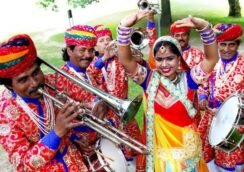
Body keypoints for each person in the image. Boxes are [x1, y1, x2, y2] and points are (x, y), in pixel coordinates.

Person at [117, 10, 219, 171]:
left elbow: (212, 58)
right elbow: (125, 60)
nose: (164, 65)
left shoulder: (190, 80)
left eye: (170, 58)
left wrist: (205, 28)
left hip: (186, 157)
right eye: (159, 59)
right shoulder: (148, 80)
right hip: (160, 159)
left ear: (179, 58)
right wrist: (124, 28)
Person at [0, 34, 89, 171]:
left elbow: (86, 99)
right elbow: (23, 165)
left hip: (75, 163)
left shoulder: (51, 81)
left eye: (36, 72)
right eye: (23, 80)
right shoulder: (4, 114)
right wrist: (57, 132)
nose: (35, 83)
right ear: (10, 86)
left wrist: (94, 105)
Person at [197, 23, 244, 171]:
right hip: (212, 118)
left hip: (234, 122)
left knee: (229, 159)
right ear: (217, 44)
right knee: (206, 155)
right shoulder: (211, 62)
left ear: (237, 45)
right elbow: (203, 84)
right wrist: (203, 98)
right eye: (223, 44)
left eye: (231, 45)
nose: (226, 49)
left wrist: (241, 110)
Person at [45, 25, 107, 155]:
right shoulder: (59, 78)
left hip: (95, 139)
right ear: (69, 51)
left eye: (91, 50)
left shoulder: (87, 74)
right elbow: (54, 117)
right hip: (78, 145)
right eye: (82, 50)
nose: (88, 55)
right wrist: (73, 139)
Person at [87, 24, 141, 164]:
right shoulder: (93, 62)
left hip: (125, 109)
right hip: (106, 113)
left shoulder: (119, 59)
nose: (106, 42)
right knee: (115, 151)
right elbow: (89, 74)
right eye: (101, 40)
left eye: (108, 39)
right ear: (95, 47)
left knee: (134, 144)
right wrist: (105, 57)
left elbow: (138, 62)